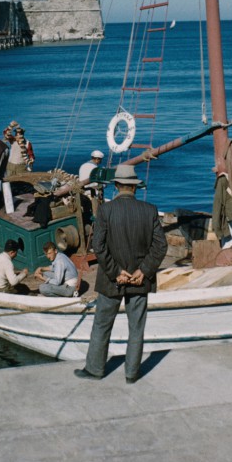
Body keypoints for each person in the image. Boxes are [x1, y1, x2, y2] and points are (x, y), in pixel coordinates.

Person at [74, 164, 167, 384]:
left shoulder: (106, 211)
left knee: (102, 324)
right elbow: (160, 246)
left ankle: (95, 370)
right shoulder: (150, 210)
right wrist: (143, 271)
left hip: (111, 280)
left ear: (116, 186)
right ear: (134, 187)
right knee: (136, 328)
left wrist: (116, 273)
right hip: (139, 280)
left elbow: (98, 246)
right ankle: (132, 373)